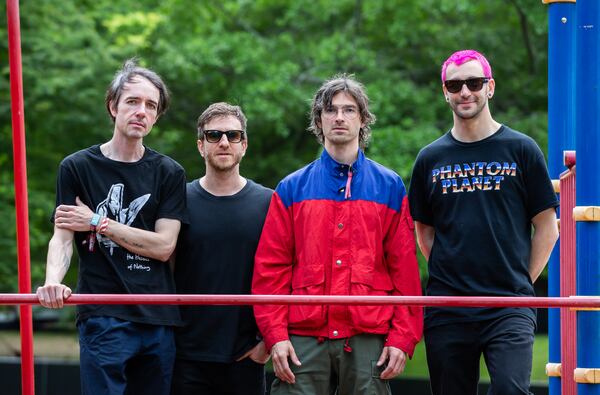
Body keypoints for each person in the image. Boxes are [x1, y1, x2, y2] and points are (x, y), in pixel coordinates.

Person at [252, 75, 423, 395]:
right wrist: (275, 336)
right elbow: (270, 269)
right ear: (319, 120)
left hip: (367, 337)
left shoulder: (389, 186)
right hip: (302, 340)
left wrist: (402, 337)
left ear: (363, 119)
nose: (340, 117)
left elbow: (405, 270)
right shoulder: (291, 189)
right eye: (330, 110)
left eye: (349, 110)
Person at [408, 49, 559, 395]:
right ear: (444, 91)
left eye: (474, 83)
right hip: (449, 306)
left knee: (511, 389)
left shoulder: (522, 149)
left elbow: (548, 227)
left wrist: (519, 280)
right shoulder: (430, 158)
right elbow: (424, 232)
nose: (465, 92)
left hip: (509, 305)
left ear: (490, 87)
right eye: (455, 84)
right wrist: (456, 276)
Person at [36, 59, 187, 395]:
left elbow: (164, 247)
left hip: (158, 316)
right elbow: (61, 238)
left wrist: (96, 222)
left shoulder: (169, 172)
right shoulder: (77, 167)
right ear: (113, 106)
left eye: (151, 106)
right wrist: (51, 283)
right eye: (133, 101)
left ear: (157, 116)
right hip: (103, 312)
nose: (141, 112)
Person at [172, 102, 272, 394]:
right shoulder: (178, 200)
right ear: (201, 146)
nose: (225, 142)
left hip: (246, 356)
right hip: (185, 355)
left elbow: (286, 275)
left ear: (245, 145)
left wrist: (265, 345)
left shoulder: (269, 203)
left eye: (234, 135)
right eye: (214, 135)